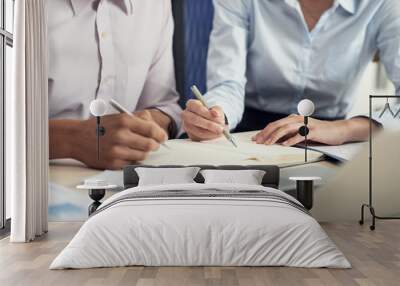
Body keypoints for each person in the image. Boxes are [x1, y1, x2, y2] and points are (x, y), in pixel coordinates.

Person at [182, 0, 400, 146]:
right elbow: (228, 82)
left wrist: (346, 129)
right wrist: (216, 116)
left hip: (331, 136)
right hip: (248, 131)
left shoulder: (383, 5)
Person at [48, 0, 181, 170]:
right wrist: (71, 139)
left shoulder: (156, 4)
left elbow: (163, 105)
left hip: (126, 182)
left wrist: (148, 124)